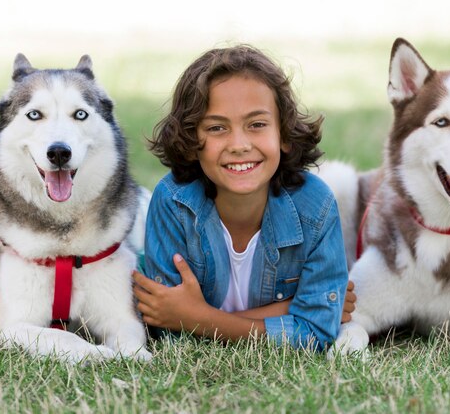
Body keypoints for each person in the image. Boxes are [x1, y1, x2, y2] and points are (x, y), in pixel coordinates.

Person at [133, 45, 354, 351]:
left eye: (257, 125)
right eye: (217, 128)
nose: (239, 144)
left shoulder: (315, 206)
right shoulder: (173, 201)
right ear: (190, 141)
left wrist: (197, 317)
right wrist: (291, 309)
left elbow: (317, 332)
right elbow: (167, 329)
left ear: (285, 135)